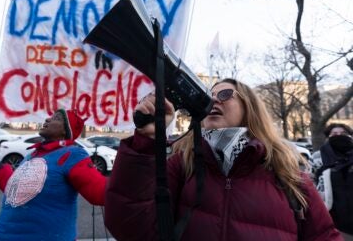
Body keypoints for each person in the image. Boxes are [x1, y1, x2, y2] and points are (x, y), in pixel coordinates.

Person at [105, 78, 341, 241]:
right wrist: (147, 141)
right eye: (208, 96)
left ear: (249, 109)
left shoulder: (288, 174)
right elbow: (130, 227)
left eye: (225, 94)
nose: (214, 101)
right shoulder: (182, 165)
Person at [0, 109, 107, 241]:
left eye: (56, 118)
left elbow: (100, 193)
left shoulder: (72, 154)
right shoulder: (32, 155)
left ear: (66, 131)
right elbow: (17, 192)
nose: (47, 119)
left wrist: (130, 164)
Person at [314, 123, 353, 241]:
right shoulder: (318, 157)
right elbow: (313, 185)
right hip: (334, 218)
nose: (339, 136)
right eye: (334, 134)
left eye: (343, 134)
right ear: (328, 137)